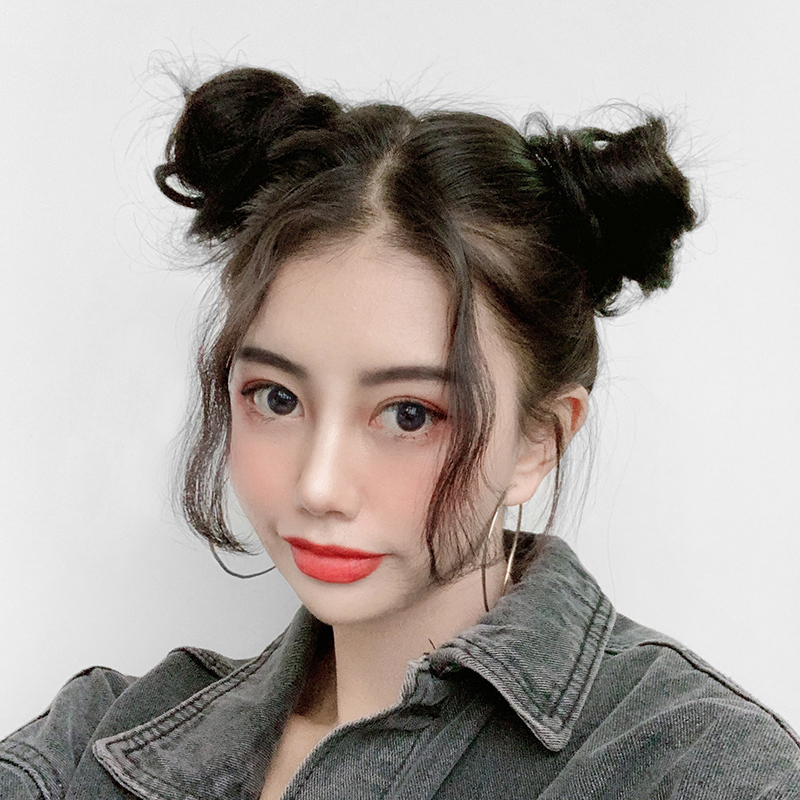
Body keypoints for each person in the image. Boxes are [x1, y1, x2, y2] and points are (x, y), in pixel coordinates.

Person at [1, 66, 798, 800]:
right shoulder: (92, 744)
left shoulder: (699, 771)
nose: (318, 486)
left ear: (539, 440)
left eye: (409, 414)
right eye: (277, 398)